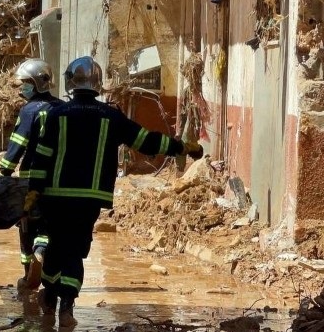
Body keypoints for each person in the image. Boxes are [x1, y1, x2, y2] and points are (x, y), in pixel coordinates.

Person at [28, 56, 204, 327]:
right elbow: (146, 141)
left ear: (71, 82)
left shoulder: (56, 115)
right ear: (98, 84)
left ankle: (49, 297)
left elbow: (41, 157)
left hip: (56, 196)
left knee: (56, 246)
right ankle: (67, 307)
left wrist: (33, 192)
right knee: (75, 251)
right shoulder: (111, 117)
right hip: (90, 199)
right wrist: (182, 147)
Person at [0, 59, 63, 291]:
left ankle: (28, 275)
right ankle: (43, 256)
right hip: (58, 179)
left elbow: (18, 142)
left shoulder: (29, 110)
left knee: (26, 225)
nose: (21, 88)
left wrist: (5, 169)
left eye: (25, 83)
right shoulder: (61, 108)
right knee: (48, 225)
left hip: (30, 177)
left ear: (37, 84)